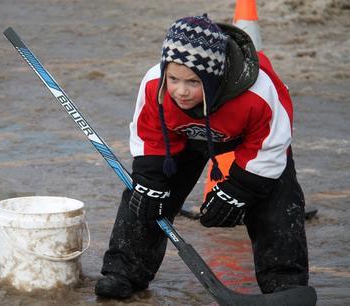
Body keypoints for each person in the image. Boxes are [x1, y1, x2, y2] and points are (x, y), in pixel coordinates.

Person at [94, 14, 309, 299]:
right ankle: (124, 271)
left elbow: (270, 146)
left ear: (212, 77)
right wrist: (151, 179)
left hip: (250, 142)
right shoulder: (154, 85)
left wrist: (237, 190)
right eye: (173, 79)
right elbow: (149, 135)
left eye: (193, 82)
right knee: (145, 195)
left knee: (277, 202)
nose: (180, 91)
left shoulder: (257, 94)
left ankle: (285, 284)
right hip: (182, 139)